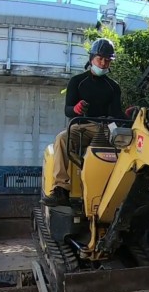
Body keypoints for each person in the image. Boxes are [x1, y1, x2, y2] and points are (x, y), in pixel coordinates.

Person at [42, 37, 129, 207]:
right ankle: (61, 189)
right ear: (91, 59)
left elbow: (116, 113)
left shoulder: (113, 87)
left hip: (107, 127)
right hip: (82, 125)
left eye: (107, 60)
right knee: (62, 139)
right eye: (100, 59)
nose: (103, 63)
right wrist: (75, 109)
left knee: (128, 142)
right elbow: (67, 110)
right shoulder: (77, 82)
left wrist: (129, 116)